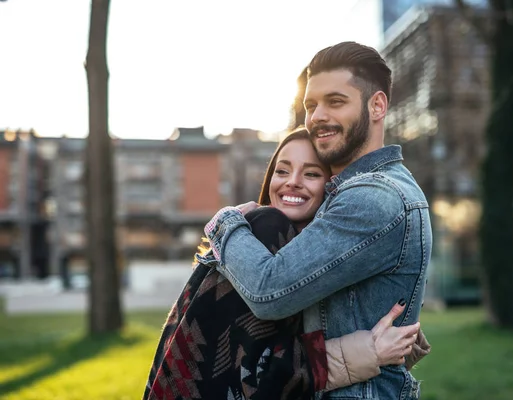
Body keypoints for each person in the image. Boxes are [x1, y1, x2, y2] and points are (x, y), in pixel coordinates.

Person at [204, 42, 433, 399]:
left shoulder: (374, 197)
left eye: (335, 102)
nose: (317, 116)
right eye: (311, 105)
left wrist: (223, 223)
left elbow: (269, 291)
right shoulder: (356, 193)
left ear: (377, 105)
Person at [144, 128, 428, 400]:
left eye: (312, 173)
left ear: (332, 189)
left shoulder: (288, 254)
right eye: (282, 170)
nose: (292, 181)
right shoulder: (267, 229)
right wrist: (370, 352)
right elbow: (261, 373)